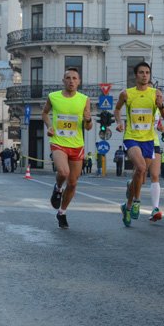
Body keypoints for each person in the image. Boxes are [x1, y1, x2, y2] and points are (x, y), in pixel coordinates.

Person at [114, 61, 164, 226]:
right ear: (135, 75)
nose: (145, 75)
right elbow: (117, 109)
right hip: (131, 137)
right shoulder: (126, 94)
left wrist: (161, 105)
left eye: (147, 73)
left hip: (148, 140)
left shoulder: (156, 93)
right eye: (141, 73)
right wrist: (118, 121)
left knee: (139, 177)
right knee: (140, 168)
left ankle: (127, 205)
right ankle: (137, 201)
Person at [42, 67, 92, 229]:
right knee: (63, 172)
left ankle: (62, 212)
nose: (71, 81)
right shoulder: (53, 97)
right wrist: (49, 126)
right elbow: (44, 113)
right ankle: (57, 188)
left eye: (74, 78)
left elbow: (88, 127)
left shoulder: (84, 99)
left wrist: (88, 120)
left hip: (77, 145)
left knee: (73, 184)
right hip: (58, 142)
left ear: (79, 82)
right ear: (63, 81)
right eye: (68, 78)